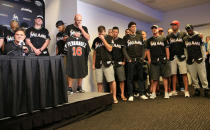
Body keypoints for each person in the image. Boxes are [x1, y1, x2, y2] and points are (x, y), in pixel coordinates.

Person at [64, 14, 90, 94]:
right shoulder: (69, 27)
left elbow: (88, 38)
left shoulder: (84, 28)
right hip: (71, 52)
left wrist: (81, 29)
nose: (79, 22)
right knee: (70, 68)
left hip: (81, 52)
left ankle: (79, 87)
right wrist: (73, 35)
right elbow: (64, 38)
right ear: (74, 19)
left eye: (80, 20)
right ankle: (70, 88)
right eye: (77, 20)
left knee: (81, 68)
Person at [122, 21, 148, 101]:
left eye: (135, 26)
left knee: (140, 77)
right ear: (129, 28)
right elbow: (124, 49)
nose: (134, 28)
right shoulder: (126, 37)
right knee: (130, 78)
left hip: (139, 60)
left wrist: (143, 57)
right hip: (131, 61)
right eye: (132, 26)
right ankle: (130, 95)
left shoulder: (140, 36)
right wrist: (128, 58)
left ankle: (142, 94)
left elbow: (144, 48)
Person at [92, 25, 118, 104]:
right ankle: (99, 97)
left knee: (111, 81)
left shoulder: (109, 38)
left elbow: (110, 49)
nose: (101, 35)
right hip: (98, 64)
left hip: (107, 63)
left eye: (102, 34)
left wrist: (103, 40)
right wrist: (93, 64)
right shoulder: (96, 40)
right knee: (99, 82)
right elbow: (94, 53)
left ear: (105, 32)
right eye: (100, 34)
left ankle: (114, 97)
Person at [183, 24, 209, 97]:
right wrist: (186, 58)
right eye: (188, 30)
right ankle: (197, 89)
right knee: (193, 76)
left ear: (192, 29)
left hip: (199, 58)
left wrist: (204, 57)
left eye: (190, 29)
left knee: (202, 75)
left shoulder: (198, 36)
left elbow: (202, 47)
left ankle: (206, 89)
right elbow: (185, 50)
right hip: (190, 60)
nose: (189, 31)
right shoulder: (185, 39)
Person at [146, 25, 170, 99]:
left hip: (163, 60)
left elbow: (167, 48)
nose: (154, 30)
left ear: (158, 29)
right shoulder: (149, 40)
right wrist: (149, 59)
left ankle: (166, 93)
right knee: (155, 78)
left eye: (155, 28)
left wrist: (168, 57)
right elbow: (148, 50)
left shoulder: (163, 38)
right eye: (152, 29)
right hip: (154, 61)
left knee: (165, 77)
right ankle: (153, 93)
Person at [166, 20, 189, 97]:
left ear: (178, 25)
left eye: (174, 25)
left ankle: (186, 91)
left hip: (181, 56)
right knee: (173, 74)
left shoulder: (183, 34)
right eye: (172, 25)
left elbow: (187, 43)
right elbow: (167, 47)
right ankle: (174, 90)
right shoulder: (169, 36)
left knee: (184, 74)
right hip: (173, 57)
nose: (173, 26)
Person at [111, 26, 127, 101]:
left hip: (120, 63)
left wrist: (124, 61)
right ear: (112, 32)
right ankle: (112, 95)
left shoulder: (121, 40)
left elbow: (124, 51)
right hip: (111, 63)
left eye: (116, 32)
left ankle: (122, 94)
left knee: (121, 80)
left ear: (118, 33)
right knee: (111, 80)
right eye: (113, 32)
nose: (115, 33)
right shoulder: (109, 40)